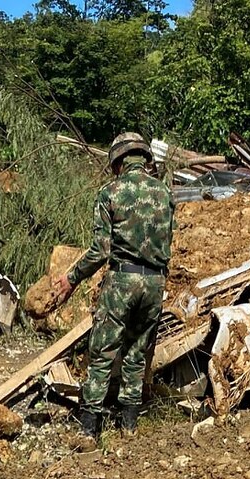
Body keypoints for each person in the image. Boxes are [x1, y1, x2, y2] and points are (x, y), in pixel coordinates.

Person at [53, 132, 175, 447]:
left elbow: (101, 250)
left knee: (102, 353)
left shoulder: (110, 192)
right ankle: (129, 426)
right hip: (155, 283)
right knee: (136, 354)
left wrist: (72, 278)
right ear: (144, 158)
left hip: (122, 281)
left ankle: (89, 429)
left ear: (118, 162)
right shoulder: (165, 193)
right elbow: (167, 243)